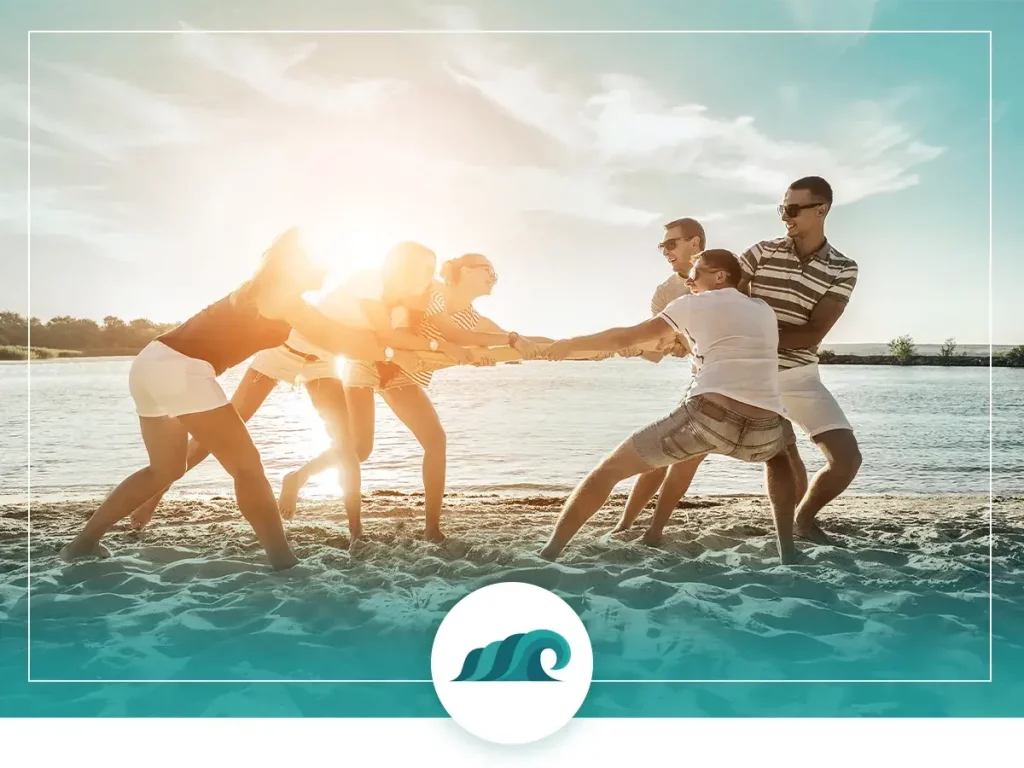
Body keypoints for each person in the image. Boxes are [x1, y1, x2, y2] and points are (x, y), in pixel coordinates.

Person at [59, 228, 404, 570]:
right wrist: (395, 350)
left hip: (150, 362)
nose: (328, 270)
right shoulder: (284, 296)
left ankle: (82, 544)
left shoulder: (264, 291)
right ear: (301, 265)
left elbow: (341, 334)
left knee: (164, 469)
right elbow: (338, 338)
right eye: (322, 263)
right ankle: (284, 562)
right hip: (182, 368)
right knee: (247, 467)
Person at [126, 241, 472, 543]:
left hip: (321, 363)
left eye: (431, 271)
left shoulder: (401, 304)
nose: (428, 276)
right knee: (221, 427)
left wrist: (465, 348)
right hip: (280, 353)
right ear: (402, 265)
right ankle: (156, 494)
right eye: (423, 268)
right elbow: (383, 338)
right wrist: (432, 345)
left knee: (347, 444)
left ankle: (355, 531)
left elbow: (400, 337)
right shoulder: (370, 281)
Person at [633, 177, 862, 546]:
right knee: (687, 451)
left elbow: (814, 332)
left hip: (798, 374)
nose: (784, 216)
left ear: (821, 209)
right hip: (743, 374)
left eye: (792, 209)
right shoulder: (761, 252)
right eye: (781, 209)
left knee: (847, 460)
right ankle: (652, 529)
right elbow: (725, 307)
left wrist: (753, 338)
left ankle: (803, 519)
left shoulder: (843, 268)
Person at [540, 249, 800, 564]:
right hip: (764, 430)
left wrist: (571, 344)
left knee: (607, 472)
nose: (689, 281)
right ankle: (788, 552)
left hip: (709, 416)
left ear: (719, 275)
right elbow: (715, 339)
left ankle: (550, 552)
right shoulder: (762, 309)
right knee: (780, 458)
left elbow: (628, 336)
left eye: (696, 273)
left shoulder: (691, 305)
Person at [284, 252, 551, 543]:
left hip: (401, 372)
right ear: (463, 271)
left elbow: (509, 338)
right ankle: (299, 479)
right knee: (360, 449)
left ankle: (432, 529)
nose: (493, 276)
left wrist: (576, 349)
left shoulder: (471, 314)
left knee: (435, 440)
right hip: (369, 359)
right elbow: (457, 336)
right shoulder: (432, 289)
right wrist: (507, 340)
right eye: (487, 269)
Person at [610, 216, 708, 537]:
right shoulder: (665, 293)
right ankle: (628, 526)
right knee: (666, 453)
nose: (665, 250)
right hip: (702, 382)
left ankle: (650, 531)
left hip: (739, 379)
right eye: (662, 245)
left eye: (671, 243)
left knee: (783, 455)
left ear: (694, 242)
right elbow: (662, 346)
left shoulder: (726, 273)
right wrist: (634, 348)